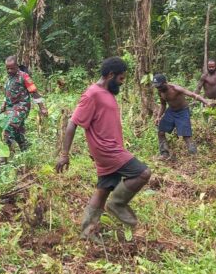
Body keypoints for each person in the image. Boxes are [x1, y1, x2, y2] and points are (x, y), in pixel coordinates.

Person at [55, 57, 152, 239]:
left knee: (103, 189)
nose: (122, 83)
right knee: (143, 173)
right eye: (121, 79)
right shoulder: (92, 94)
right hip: (108, 150)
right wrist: (64, 154)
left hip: (110, 148)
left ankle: (87, 231)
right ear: (110, 75)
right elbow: (72, 123)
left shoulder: (106, 93)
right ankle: (117, 204)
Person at [153, 74, 209, 158]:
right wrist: (158, 117)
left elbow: (194, 95)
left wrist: (206, 102)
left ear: (165, 83)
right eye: (157, 87)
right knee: (161, 132)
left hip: (182, 112)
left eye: (160, 86)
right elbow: (163, 105)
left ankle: (194, 156)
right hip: (171, 111)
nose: (159, 88)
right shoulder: (160, 91)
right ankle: (164, 153)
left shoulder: (176, 89)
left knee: (186, 135)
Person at [0, 55, 48, 152]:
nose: (9, 70)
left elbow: (34, 92)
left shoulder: (24, 76)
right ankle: (25, 150)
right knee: (18, 132)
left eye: (11, 68)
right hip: (10, 108)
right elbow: (8, 92)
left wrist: (42, 108)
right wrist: (4, 103)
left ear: (17, 66)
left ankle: (4, 155)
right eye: (7, 68)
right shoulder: (9, 78)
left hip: (21, 107)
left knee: (9, 127)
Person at [195, 59, 216, 124]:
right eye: (209, 67)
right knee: (207, 119)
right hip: (207, 100)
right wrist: (195, 97)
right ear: (207, 67)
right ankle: (207, 131)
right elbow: (198, 88)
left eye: (213, 66)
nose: (211, 68)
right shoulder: (204, 76)